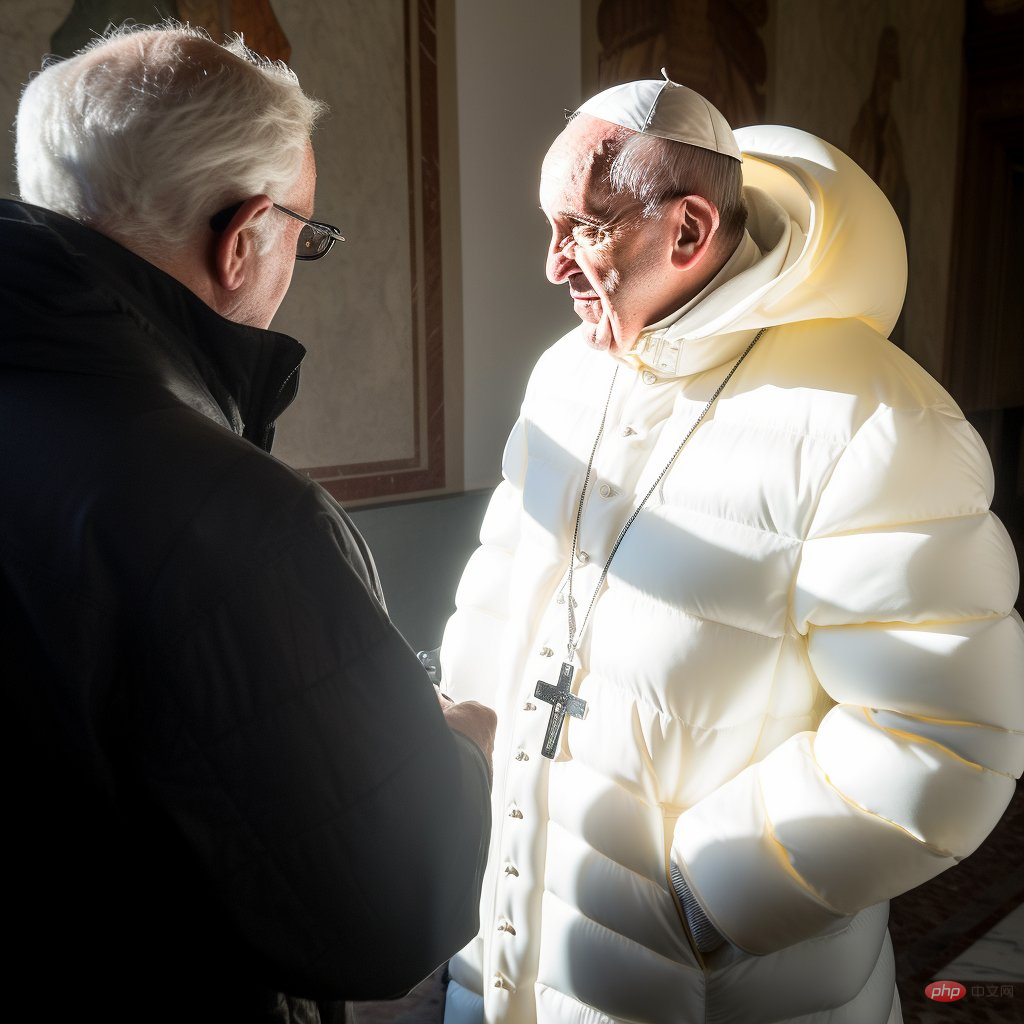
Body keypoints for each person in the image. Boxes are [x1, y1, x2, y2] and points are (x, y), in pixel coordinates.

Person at [439, 74, 1024, 1023]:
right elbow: (505, 587)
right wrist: (469, 760)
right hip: (515, 929)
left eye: (583, 228)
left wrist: (705, 894)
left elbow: (942, 741)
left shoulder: (872, 423)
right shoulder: (564, 377)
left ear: (688, 232)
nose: (552, 266)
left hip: (722, 984)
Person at [1, 23, 496, 1024]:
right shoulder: (230, 514)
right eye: (306, 236)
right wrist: (460, 754)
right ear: (246, 235)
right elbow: (388, 914)